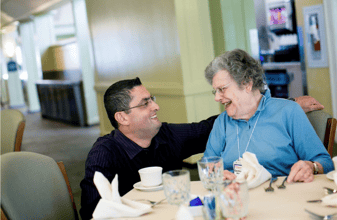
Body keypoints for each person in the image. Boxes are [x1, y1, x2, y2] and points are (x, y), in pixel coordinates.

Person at [80, 77, 324, 219]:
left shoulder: (167, 136)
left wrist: (283, 105)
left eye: (153, 99)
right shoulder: (104, 152)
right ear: (122, 118)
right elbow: (93, 211)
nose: (155, 107)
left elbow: (213, 125)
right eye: (145, 103)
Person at [202, 48, 334, 184]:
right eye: (215, 91)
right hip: (236, 197)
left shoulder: (288, 112)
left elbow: (325, 162)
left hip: (280, 195)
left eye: (222, 89)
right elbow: (207, 166)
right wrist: (215, 174)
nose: (217, 97)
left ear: (247, 84)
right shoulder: (222, 122)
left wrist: (311, 167)